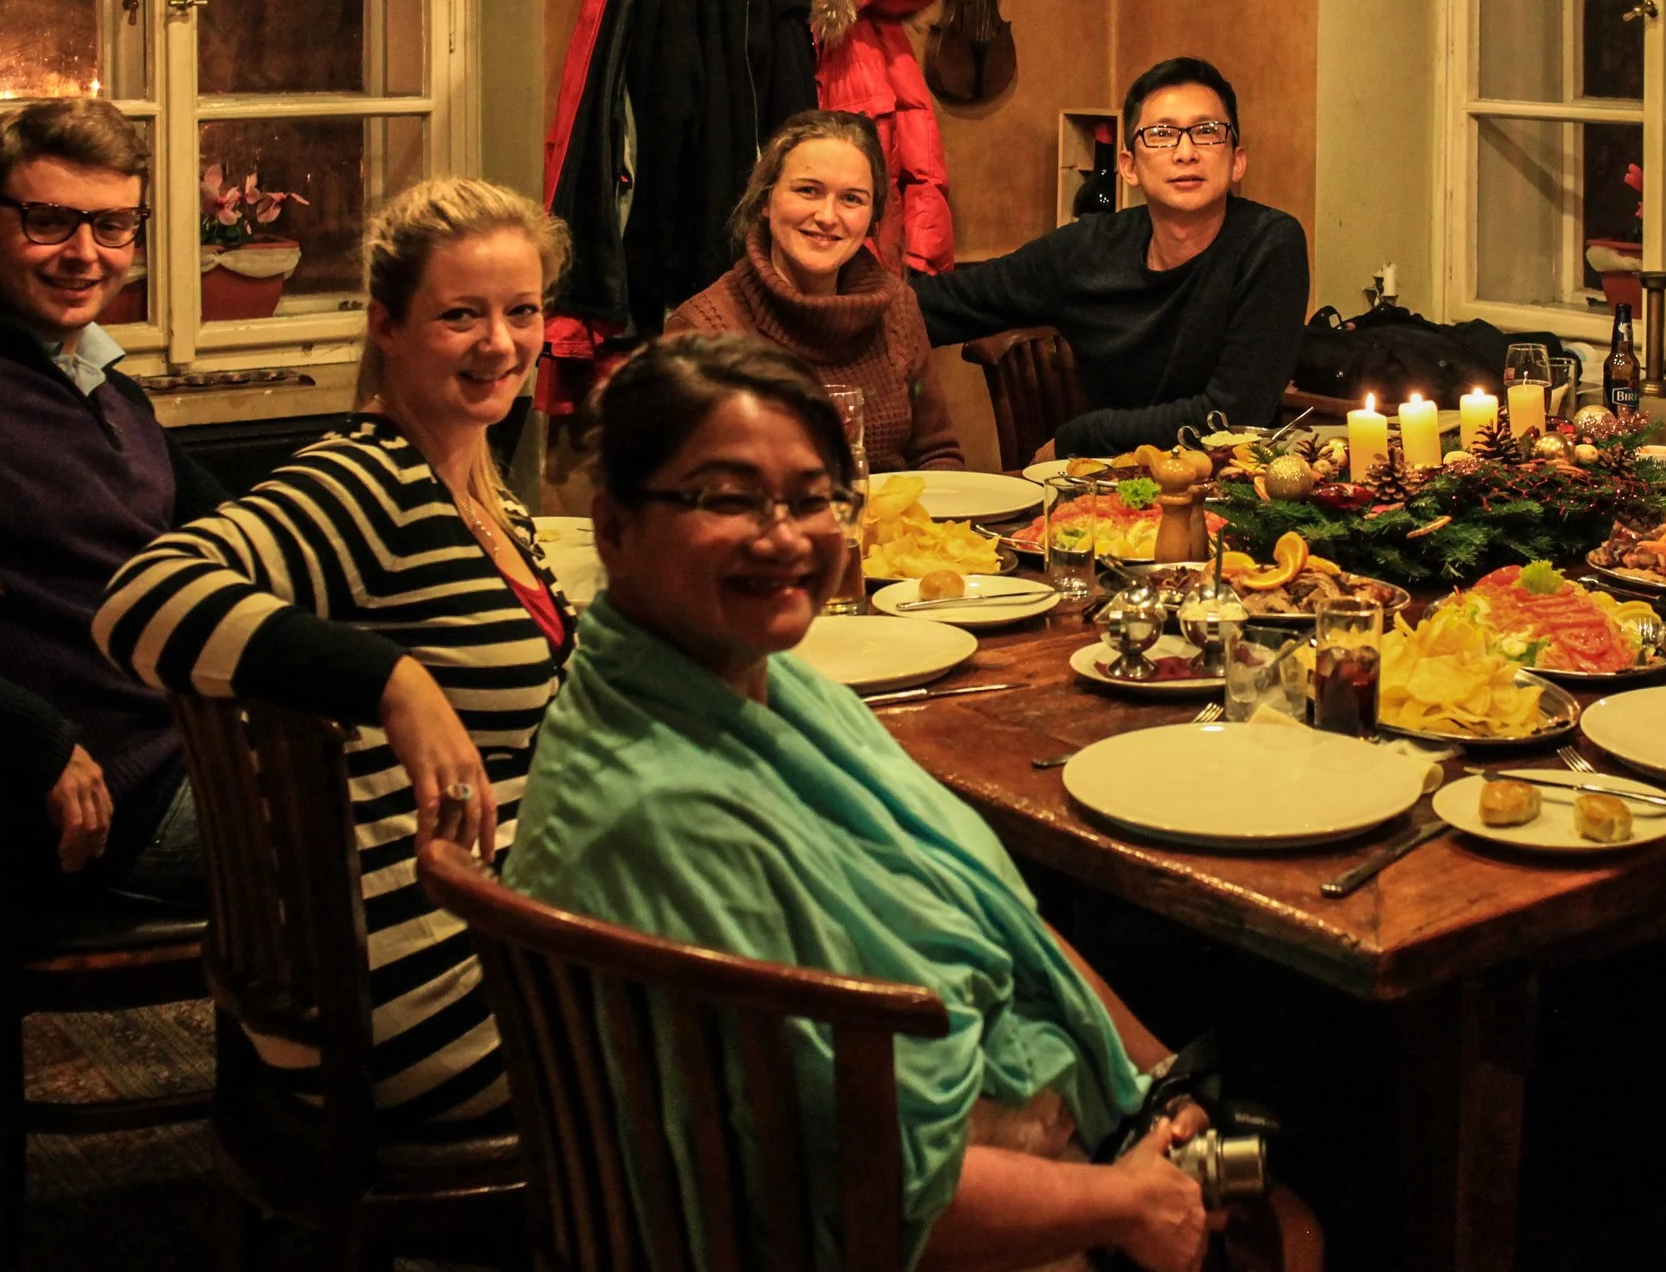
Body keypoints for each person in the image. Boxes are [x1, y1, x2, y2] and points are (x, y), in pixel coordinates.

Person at [505, 334, 1214, 1271]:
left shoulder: (758, 684)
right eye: (726, 498)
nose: (782, 535)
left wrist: (1155, 1079)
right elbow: (868, 1187)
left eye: (811, 498)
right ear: (612, 526)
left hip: (1028, 1132)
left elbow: (987, 906)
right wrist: (1127, 1202)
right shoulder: (665, 809)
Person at [94, 177, 573, 1129]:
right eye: (461, 315)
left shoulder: (486, 499)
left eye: (522, 312)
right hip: (432, 996)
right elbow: (139, 598)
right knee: (778, 1012)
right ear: (387, 325)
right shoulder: (367, 479)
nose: (500, 343)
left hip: (482, 933)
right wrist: (392, 681)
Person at [0, 100, 218, 907]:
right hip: (111, 809)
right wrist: (39, 741)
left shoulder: (104, 385)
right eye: (50, 221)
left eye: (113, 225)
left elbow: (241, 530)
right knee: (423, 831)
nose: (85, 254)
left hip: (197, 751)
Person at [910, 57, 1310, 459]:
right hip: (1110, 485)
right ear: (1128, 166)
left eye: (1206, 132)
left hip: (1230, 481)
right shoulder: (1089, 250)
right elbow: (945, 304)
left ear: (1237, 160)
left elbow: (1234, 417)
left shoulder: (1269, 244)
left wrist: (1082, 436)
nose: (1186, 152)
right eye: (1162, 134)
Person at [666, 109, 963, 472]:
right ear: (765, 201)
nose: (827, 216)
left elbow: (936, 454)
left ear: (872, 217)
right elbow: (680, 485)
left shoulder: (897, 308)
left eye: (851, 199)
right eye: (808, 191)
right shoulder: (702, 330)